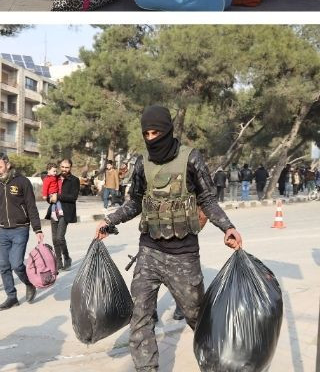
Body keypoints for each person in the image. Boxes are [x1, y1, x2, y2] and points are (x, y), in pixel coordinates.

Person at [96, 105, 242, 372]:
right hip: (149, 251)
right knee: (139, 319)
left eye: (156, 132)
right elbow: (135, 202)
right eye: (147, 133)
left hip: (183, 255)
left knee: (198, 318)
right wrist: (110, 221)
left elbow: (207, 199)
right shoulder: (142, 163)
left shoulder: (191, 159)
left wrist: (227, 227)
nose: (152, 138)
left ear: (168, 131)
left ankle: (220, 363)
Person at [0, 152, 45, 310]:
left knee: (17, 263)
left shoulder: (22, 181)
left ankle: (29, 283)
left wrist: (37, 228)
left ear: (7, 163)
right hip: (4, 231)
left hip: (20, 229)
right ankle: (11, 297)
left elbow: (31, 207)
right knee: (4, 266)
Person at [52, 159, 80, 270]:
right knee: (54, 239)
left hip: (66, 211)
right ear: (60, 166)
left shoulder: (74, 180)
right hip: (54, 210)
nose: (64, 169)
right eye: (62, 167)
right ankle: (58, 261)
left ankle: (67, 257)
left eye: (67, 167)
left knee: (60, 237)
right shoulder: (54, 178)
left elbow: (73, 197)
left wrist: (58, 196)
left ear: (70, 168)